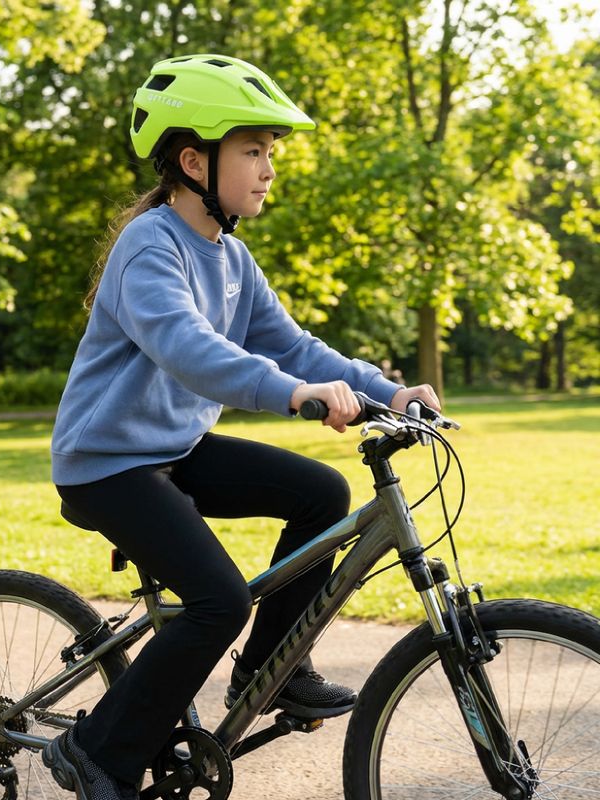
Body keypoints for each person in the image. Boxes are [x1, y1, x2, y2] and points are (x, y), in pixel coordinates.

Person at [46, 54, 440, 799]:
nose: (267, 169)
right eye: (252, 151)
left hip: (174, 448)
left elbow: (293, 345)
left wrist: (388, 391)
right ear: (194, 160)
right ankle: (96, 752)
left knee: (322, 493)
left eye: (268, 153)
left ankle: (271, 667)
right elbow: (193, 351)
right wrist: (297, 396)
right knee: (219, 600)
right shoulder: (150, 247)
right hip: (106, 464)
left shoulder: (233, 257)